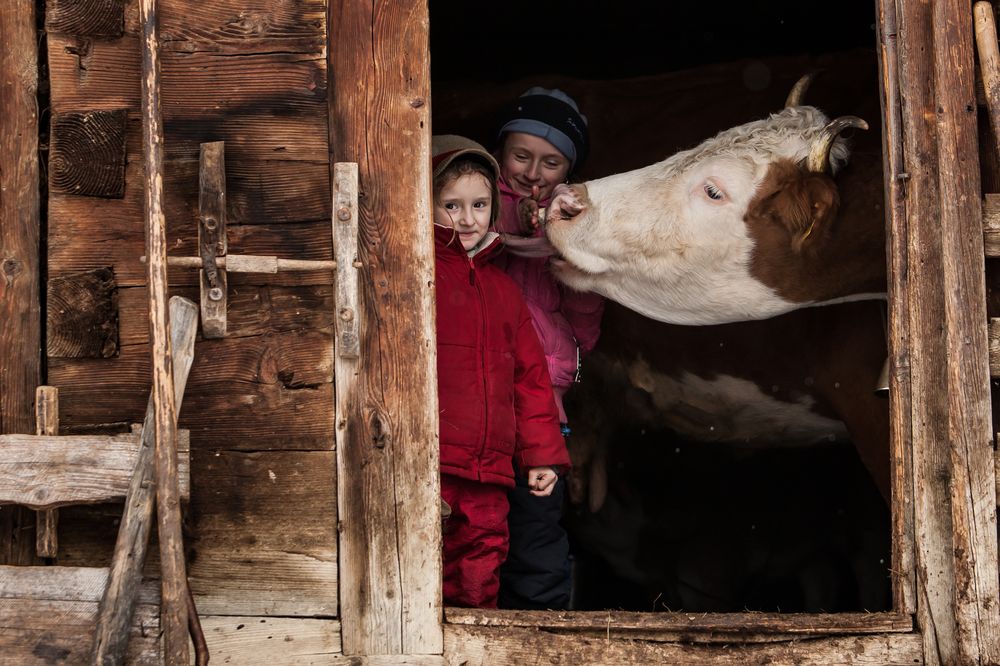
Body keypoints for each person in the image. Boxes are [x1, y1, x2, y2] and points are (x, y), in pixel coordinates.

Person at [431, 134, 571, 608]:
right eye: (451, 205)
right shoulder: (415, 276)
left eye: (479, 204)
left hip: (490, 470)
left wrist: (542, 456)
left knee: (482, 568)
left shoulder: (505, 291)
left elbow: (531, 382)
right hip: (430, 463)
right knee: (415, 567)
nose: (467, 219)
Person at [492, 87, 606, 610]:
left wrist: (576, 263)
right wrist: (540, 223)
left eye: (551, 162)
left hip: (544, 411)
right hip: (485, 406)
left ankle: (541, 629)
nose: (533, 173)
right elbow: (502, 225)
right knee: (479, 527)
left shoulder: (571, 220)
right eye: (521, 155)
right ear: (499, 154)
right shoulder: (478, 202)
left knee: (537, 529)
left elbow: (583, 327)